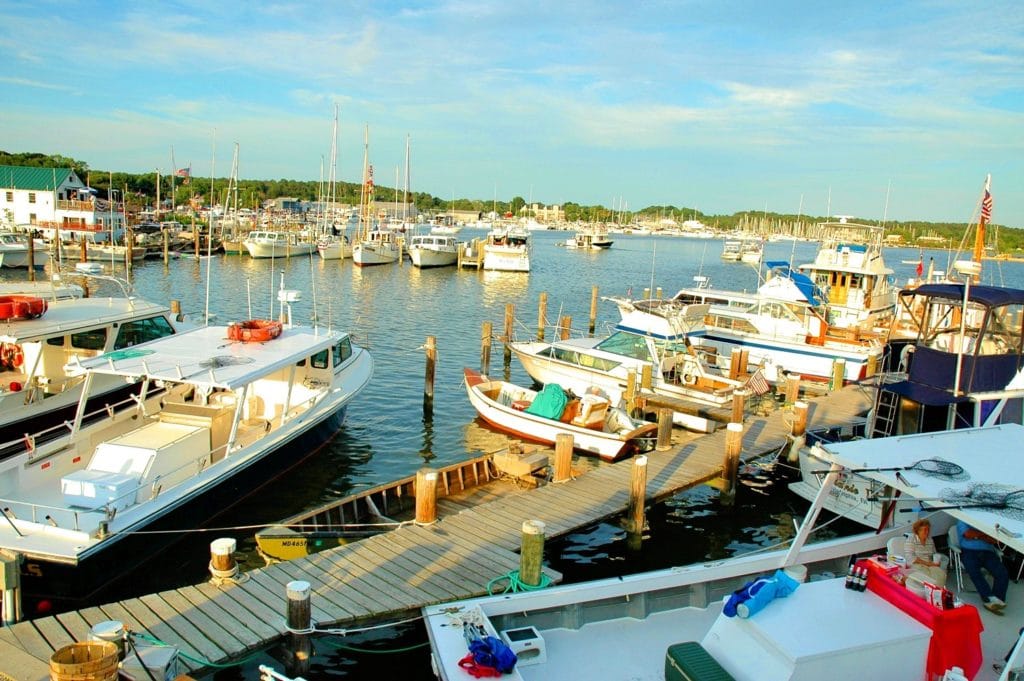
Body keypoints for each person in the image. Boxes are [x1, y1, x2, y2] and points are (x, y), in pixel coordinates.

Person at [957, 520, 1009, 613]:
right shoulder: (963, 519)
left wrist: (977, 535)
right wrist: (984, 534)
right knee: (974, 572)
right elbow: (968, 534)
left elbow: (993, 540)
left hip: (988, 552)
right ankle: (989, 599)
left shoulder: (986, 521)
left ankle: (997, 601)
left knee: (1002, 573)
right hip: (969, 551)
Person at [903, 518, 946, 586]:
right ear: (918, 531)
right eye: (925, 529)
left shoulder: (930, 540)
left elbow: (934, 553)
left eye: (928, 529)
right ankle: (928, 591)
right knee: (927, 578)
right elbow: (910, 557)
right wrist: (928, 563)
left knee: (941, 574)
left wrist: (937, 561)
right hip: (916, 565)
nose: (927, 532)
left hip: (929, 564)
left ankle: (935, 592)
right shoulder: (911, 539)